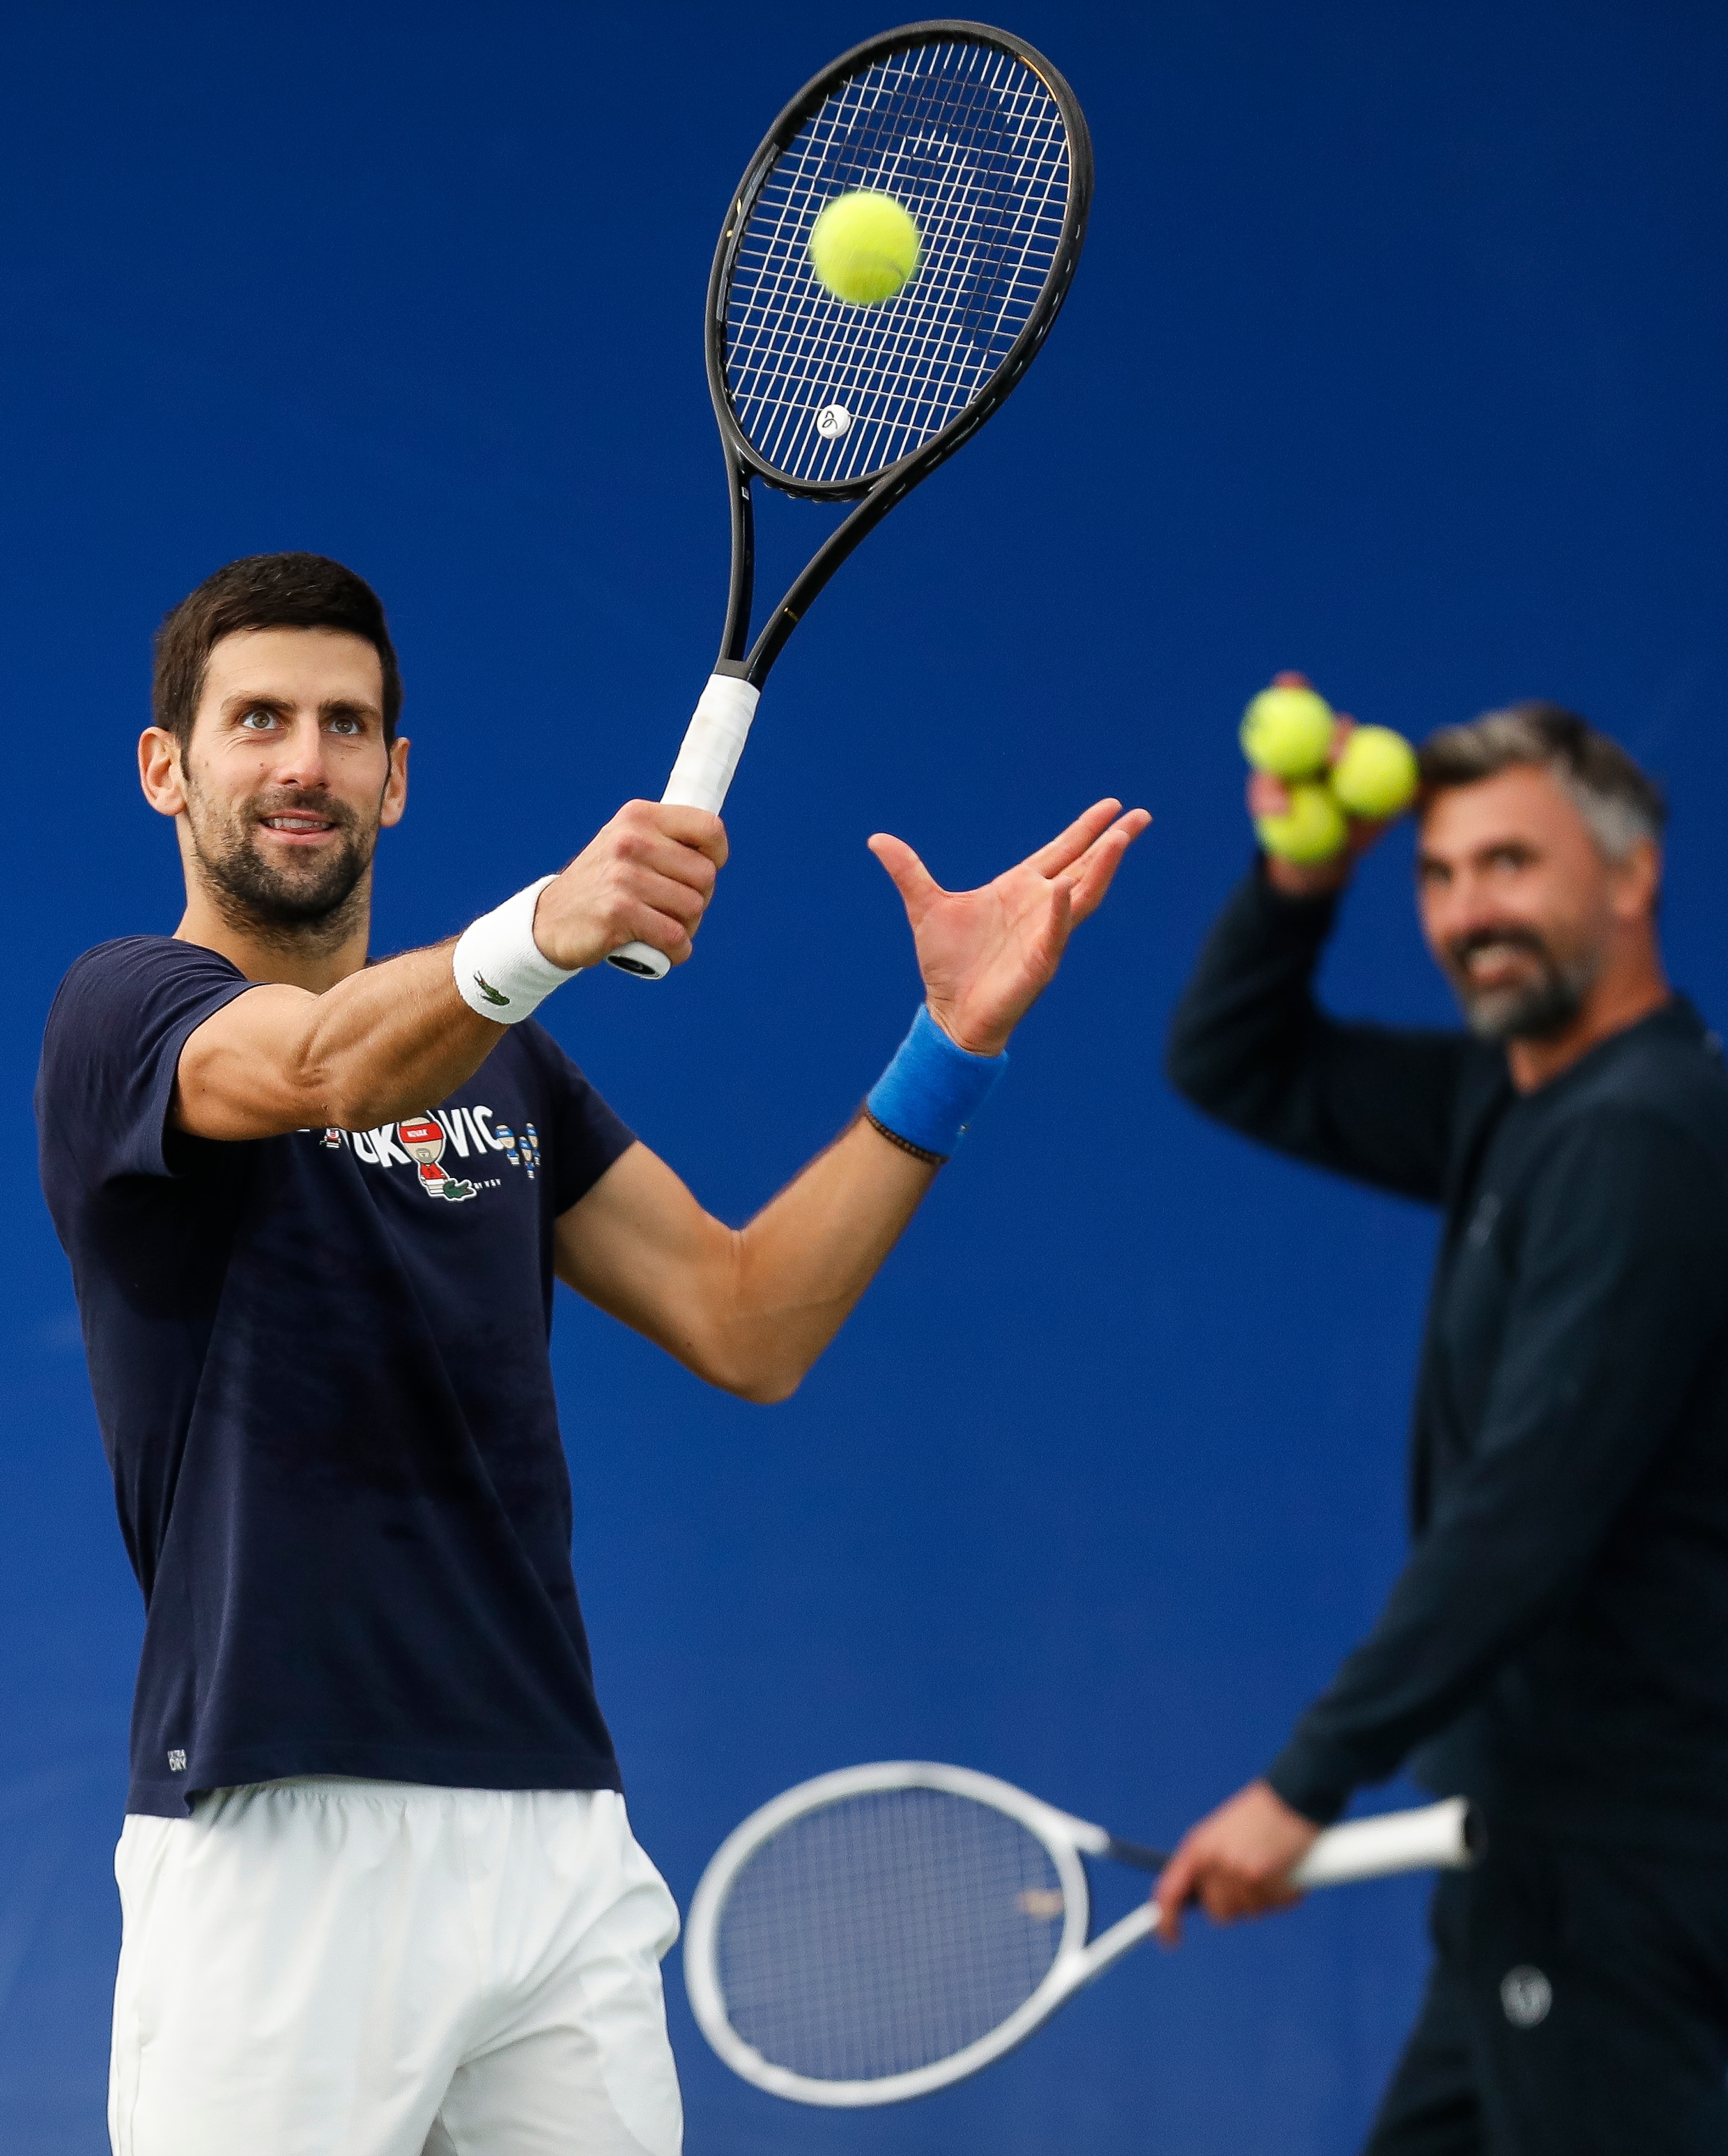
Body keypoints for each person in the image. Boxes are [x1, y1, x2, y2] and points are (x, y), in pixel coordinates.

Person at [34, 552, 1148, 2156]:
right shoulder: (124, 1015)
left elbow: (750, 1319)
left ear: (397, 780)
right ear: (168, 769)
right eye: (257, 720)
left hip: (553, 1835)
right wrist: (547, 924)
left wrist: (951, 1043)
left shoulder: (512, 1074)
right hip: (275, 1829)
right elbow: (329, 1067)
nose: (303, 762)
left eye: (347, 727)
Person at [1159, 698, 1728, 2154]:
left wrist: (1304, 1783)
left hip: (1626, 1863)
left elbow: (1528, 1509)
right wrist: (1305, 876)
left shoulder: (1644, 1139)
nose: (1471, 912)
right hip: (1534, 1857)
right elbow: (1235, 1062)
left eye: (1511, 867)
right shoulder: (1518, 1093)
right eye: (1439, 874)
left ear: (1631, 873)